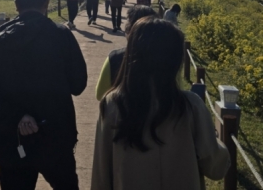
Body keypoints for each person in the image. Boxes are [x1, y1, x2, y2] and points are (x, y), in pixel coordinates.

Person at [0, 0, 87, 190]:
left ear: (16, 5)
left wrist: (17, 115)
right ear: (46, 3)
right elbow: (78, 85)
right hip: (56, 137)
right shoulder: (61, 36)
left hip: (13, 139)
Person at [91, 17, 230, 190]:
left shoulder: (113, 105)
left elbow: (101, 172)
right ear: (175, 60)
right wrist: (217, 142)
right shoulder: (191, 106)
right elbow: (215, 168)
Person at [95, 5, 155, 100]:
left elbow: (100, 95)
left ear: (129, 29)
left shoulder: (114, 58)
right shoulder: (165, 57)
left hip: (121, 112)